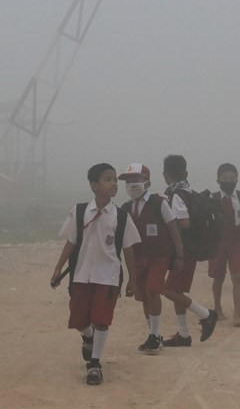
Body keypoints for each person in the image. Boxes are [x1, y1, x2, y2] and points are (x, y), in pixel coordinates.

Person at [50, 163, 140, 385]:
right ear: (94, 185)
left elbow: (128, 249)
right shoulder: (79, 211)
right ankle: (88, 336)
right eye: (108, 179)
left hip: (108, 276)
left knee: (102, 320)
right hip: (81, 275)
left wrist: (133, 280)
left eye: (114, 180)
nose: (114, 184)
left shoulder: (121, 217)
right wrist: (58, 267)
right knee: (79, 319)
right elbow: (71, 242)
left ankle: (95, 364)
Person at [118, 162, 186, 353]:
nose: (132, 184)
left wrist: (180, 255)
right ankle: (152, 335)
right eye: (129, 181)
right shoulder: (125, 208)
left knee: (153, 290)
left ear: (146, 182)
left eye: (136, 180)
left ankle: (155, 336)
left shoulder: (159, 203)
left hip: (159, 257)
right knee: (145, 297)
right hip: (139, 259)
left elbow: (173, 228)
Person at [161, 154, 217, 346]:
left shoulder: (177, 194)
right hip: (191, 248)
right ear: (185, 172)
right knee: (176, 290)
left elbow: (184, 222)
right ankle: (183, 335)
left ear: (165, 174)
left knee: (167, 290)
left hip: (184, 250)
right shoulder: (189, 191)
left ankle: (207, 314)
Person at [208, 163, 240, 327]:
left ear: (237, 180)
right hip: (217, 244)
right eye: (225, 178)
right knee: (218, 277)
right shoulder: (212, 199)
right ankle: (217, 307)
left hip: (236, 243)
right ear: (218, 180)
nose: (229, 181)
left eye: (232, 178)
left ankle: (237, 314)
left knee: (237, 277)